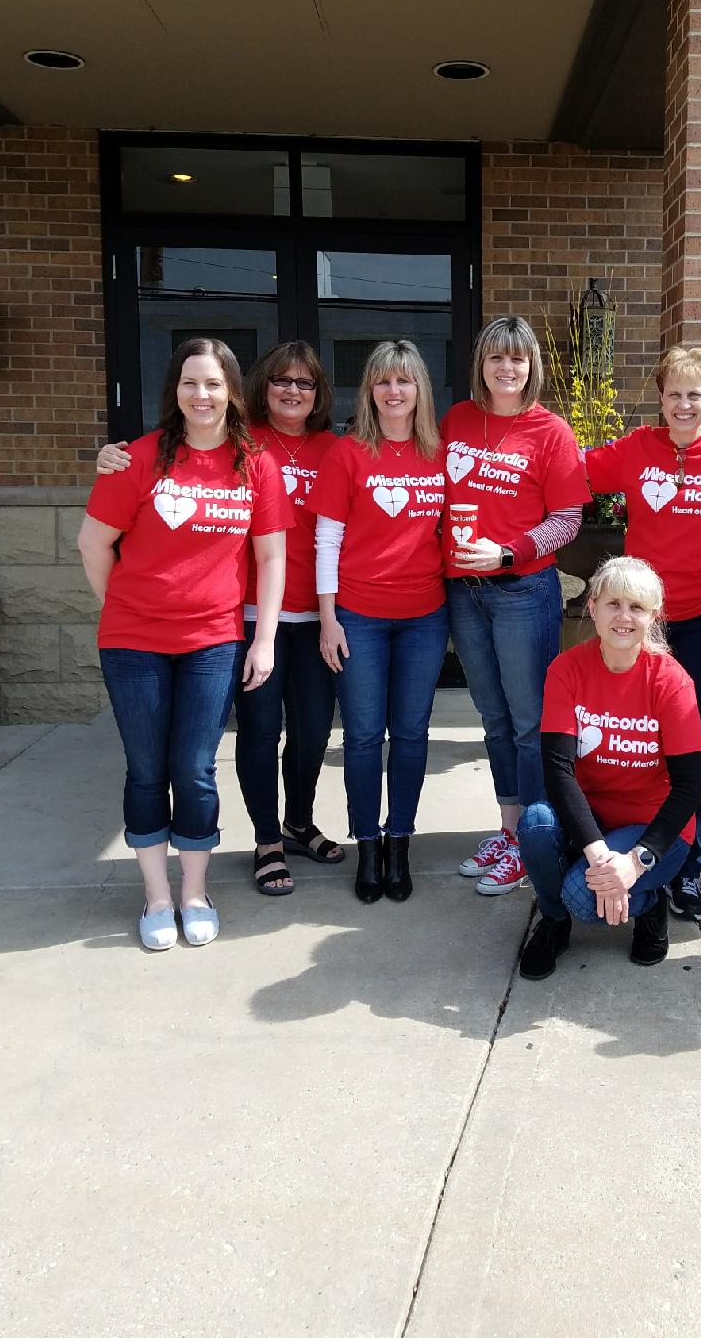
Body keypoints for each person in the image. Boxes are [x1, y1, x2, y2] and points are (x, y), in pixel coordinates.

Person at [95, 341, 344, 897]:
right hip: (247, 614)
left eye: (304, 383)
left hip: (315, 611)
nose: (292, 391)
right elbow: (164, 463)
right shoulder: (237, 438)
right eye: (281, 380)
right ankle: (266, 840)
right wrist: (112, 458)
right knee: (258, 731)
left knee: (312, 731)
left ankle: (298, 822)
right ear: (257, 387)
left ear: (319, 392)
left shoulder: (335, 449)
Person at [77, 338, 291, 951]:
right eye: (190, 382)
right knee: (147, 769)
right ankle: (156, 898)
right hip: (133, 644)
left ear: (232, 392)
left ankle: (195, 894)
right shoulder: (138, 459)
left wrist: (264, 640)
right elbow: (93, 543)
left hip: (212, 641)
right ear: (175, 390)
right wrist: (124, 608)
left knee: (194, 770)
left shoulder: (255, 464)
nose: (202, 395)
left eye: (214, 383)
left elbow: (271, 557)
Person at [584, 346, 701, 922]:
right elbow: (567, 469)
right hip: (642, 621)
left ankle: (687, 870)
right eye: (673, 394)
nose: (684, 405)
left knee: (695, 749)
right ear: (659, 399)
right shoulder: (637, 449)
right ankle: (638, 856)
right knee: (637, 741)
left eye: (695, 394)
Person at [444, 315, 591, 896]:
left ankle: (535, 840)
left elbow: (568, 519)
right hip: (464, 592)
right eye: (496, 357)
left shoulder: (551, 432)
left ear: (532, 366)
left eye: (518, 358)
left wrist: (508, 552)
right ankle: (509, 832)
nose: (507, 368)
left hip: (523, 592)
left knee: (530, 723)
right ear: (481, 364)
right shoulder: (457, 420)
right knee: (493, 718)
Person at [516, 556, 701, 979]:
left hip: (656, 829)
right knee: (536, 824)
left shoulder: (671, 681)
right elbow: (558, 770)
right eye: (613, 604)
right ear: (593, 608)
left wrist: (636, 862)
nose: (624, 617)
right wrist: (599, 854)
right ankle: (554, 922)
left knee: (582, 897)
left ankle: (649, 901)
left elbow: (690, 786)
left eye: (637, 607)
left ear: (653, 616)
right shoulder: (567, 669)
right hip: (592, 820)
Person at [310, 339, 448, 904]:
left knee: (411, 734)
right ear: (369, 390)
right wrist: (328, 618)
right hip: (359, 616)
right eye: (383, 380)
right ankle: (367, 844)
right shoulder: (348, 454)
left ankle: (399, 842)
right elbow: (327, 539)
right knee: (364, 736)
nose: (394, 391)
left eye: (404, 380)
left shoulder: (440, 453)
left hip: (424, 616)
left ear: (420, 389)